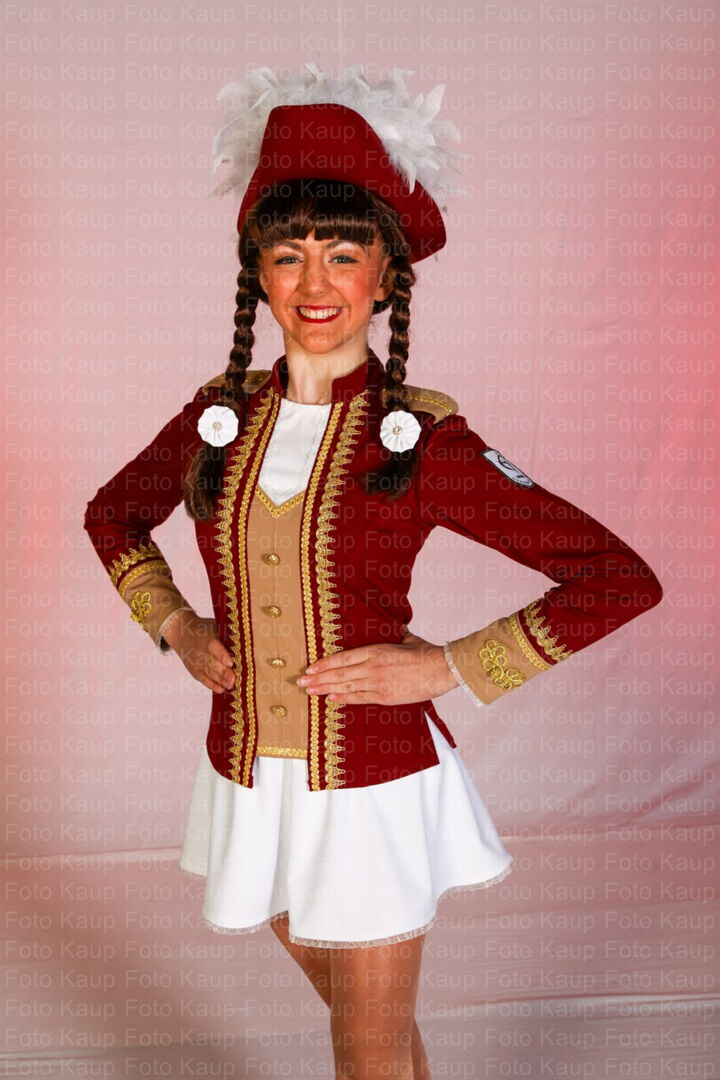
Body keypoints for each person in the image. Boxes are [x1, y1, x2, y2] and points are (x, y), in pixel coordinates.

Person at [83, 64, 663, 1079]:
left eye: (343, 256)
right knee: (376, 1040)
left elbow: (618, 578)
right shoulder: (215, 419)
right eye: (288, 255)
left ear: (386, 277)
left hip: (373, 785)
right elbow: (111, 515)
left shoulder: (423, 441)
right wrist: (176, 626)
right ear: (257, 275)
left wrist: (447, 666)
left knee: (362, 1048)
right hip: (247, 772)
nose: (314, 286)